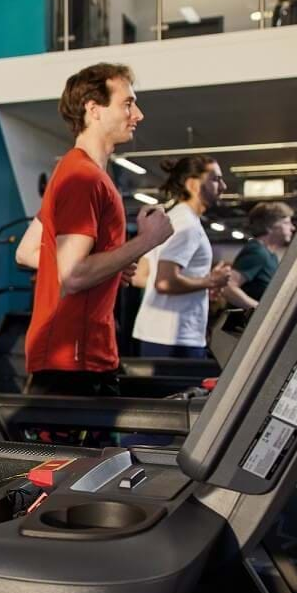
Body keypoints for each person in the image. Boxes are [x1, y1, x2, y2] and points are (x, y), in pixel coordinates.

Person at [24, 63, 174, 397]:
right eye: (127, 103)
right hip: (72, 360)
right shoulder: (81, 178)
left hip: (80, 355)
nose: (138, 114)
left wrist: (111, 265)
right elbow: (74, 274)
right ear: (94, 110)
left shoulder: (77, 171)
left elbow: (28, 251)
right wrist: (146, 241)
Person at [131, 155, 236, 358]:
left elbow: (141, 276)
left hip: (155, 334)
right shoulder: (187, 225)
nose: (223, 186)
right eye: (216, 179)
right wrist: (210, 281)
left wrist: (197, 284)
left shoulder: (169, 219)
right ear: (193, 185)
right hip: (176, 338)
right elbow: (164, 283)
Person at [233, 201, 296, 301]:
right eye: (286, 223)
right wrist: (256, 308)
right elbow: (229, 287)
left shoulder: (271, 255)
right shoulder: (257, 252)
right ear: (269, 226)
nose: (292, 228)